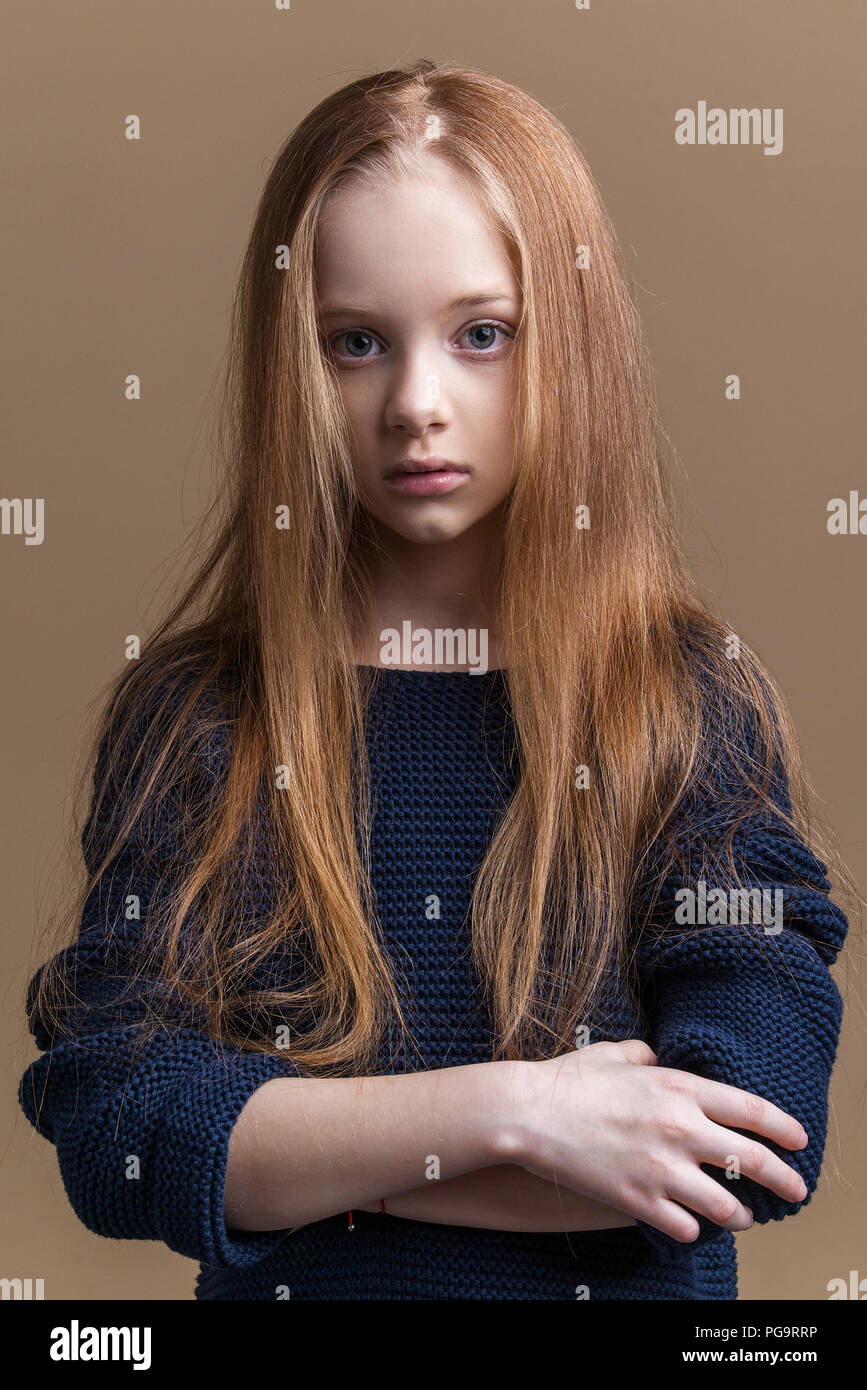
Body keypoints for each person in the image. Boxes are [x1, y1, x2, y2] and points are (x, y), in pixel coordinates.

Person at [19, 59, 851, 1301]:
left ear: (567, 341)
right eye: (356, 343)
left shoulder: (685, 707)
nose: (416, 402)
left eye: (482, 335)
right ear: (291, 362)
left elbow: (744, 1138)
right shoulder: (200, 719)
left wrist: (308, 1160)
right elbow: (119, 1127)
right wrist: (519, 1113)